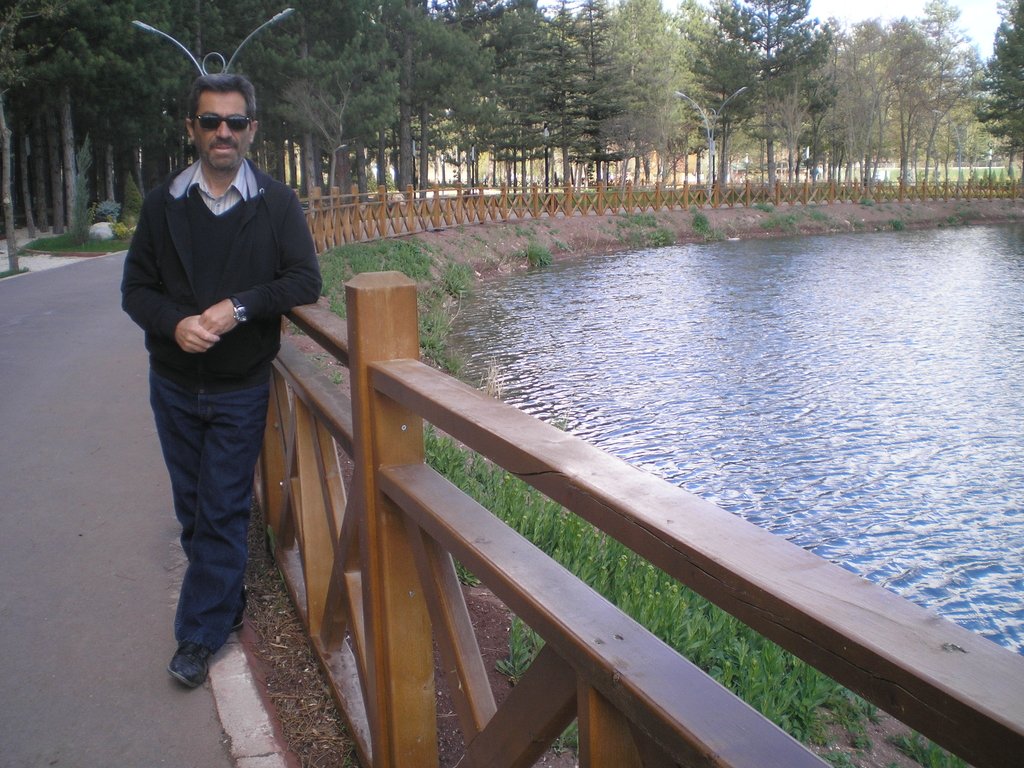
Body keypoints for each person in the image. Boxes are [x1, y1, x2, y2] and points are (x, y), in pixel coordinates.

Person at [122, 73, 321, 688]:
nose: (223, 132)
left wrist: (239, 307)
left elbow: (304, 281)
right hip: (173, 383)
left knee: (223, 507)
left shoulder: (276, 203)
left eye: (235, 121)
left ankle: (199, 634)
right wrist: (174, 324)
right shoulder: (163, 204)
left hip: (240, 385)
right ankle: (225, 596)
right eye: (211, 121)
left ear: (252, 129)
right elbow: (136, 290)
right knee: (193, 507)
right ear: (193, 128)